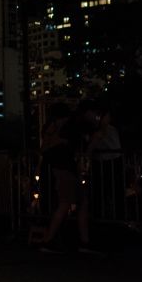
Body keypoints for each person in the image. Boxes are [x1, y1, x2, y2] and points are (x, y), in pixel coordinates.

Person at [38, 101, 98, 254]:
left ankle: (81, 241)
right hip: (65, 168)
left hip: (61, 167)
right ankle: (49, 241)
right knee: (67, 203)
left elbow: (44, 148)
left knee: (78, 202)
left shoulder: (51, 127)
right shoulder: (64, 127)